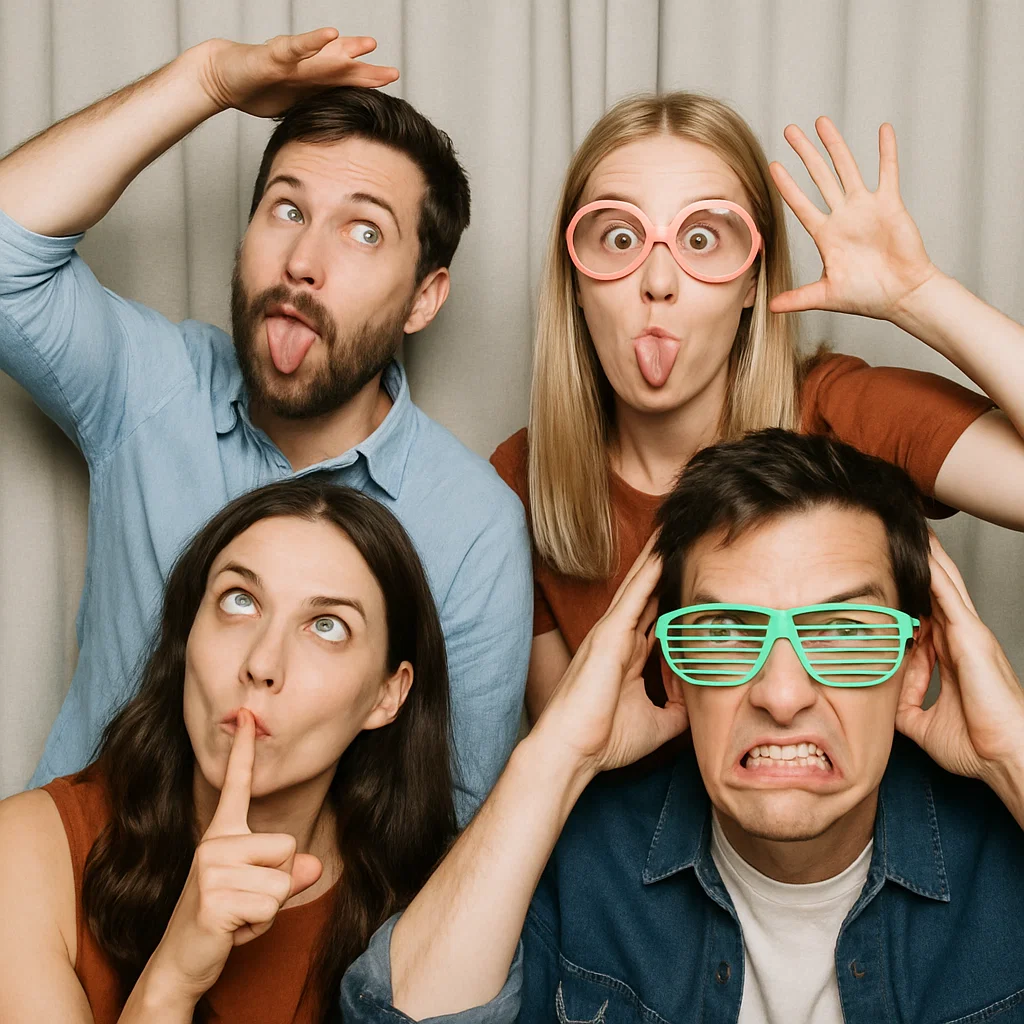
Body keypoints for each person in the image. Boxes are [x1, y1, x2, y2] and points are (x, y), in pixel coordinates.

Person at [0, 29, 531, 820]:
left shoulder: (474, 527)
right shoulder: (157, 385)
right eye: (287, 209)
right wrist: (205, 79)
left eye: (363, 231)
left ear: (425, 296)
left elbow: (447, 829)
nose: (302, 261)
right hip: (71, 903)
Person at [339, 430, 1024, 1024]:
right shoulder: (577, 868)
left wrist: (1012, 754)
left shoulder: (1002, 863)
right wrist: (557, 753)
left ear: (914, 666)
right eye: (724, 633)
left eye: (843, 633)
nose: (782, 695)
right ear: (669, 673)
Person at [489, 92, 1024, 722]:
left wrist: (918, 295)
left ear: (752, 282)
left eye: (701, 238)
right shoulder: (523, 477)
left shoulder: (840, 414)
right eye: (621, 236)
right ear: (575, 278)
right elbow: (577, 770)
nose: (657, 281)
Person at [0, 477, 457, 1022]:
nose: (262, 664)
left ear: (388, 695)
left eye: (327, 626)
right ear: (188, 630)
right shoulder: (25, 852)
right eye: (240, 601)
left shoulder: (433, 899)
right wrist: (172, 978)